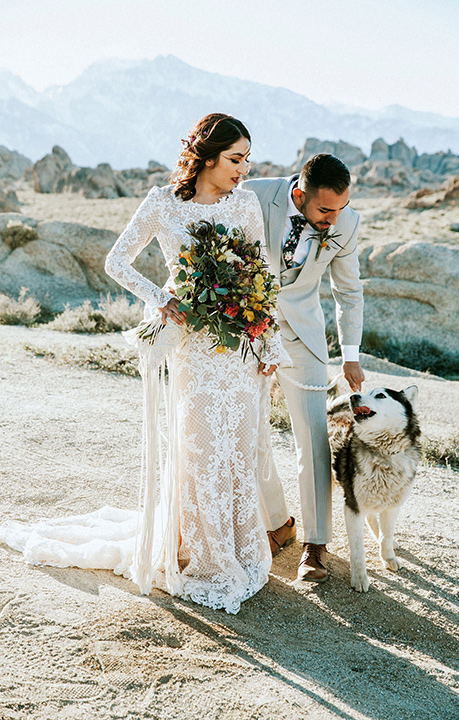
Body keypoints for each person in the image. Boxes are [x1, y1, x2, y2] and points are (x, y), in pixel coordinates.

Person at [0, 114, 288, 615]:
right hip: (193, 349)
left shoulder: (244, 205)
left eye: (247, 160)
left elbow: (258, 274)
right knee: (199, 448)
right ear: (207, 156)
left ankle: (239, 551)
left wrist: (268, 346)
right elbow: (117, 262)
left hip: (237, 350)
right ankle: (200, 554)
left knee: (237, 447)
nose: (244, 170)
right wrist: (163, 299)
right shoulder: (162, 204)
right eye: (236, 159)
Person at [241, 154, 364, 582]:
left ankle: (316, 545)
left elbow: (348, 291)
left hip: (303, 335)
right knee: (246, 429)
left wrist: (351, 354)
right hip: (245, 331)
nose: (335, 218)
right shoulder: (253, 197)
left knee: (312, 438)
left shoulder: (345, 223)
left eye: (341, 208)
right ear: (299, 195)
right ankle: (277, 523)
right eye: (325, 210)